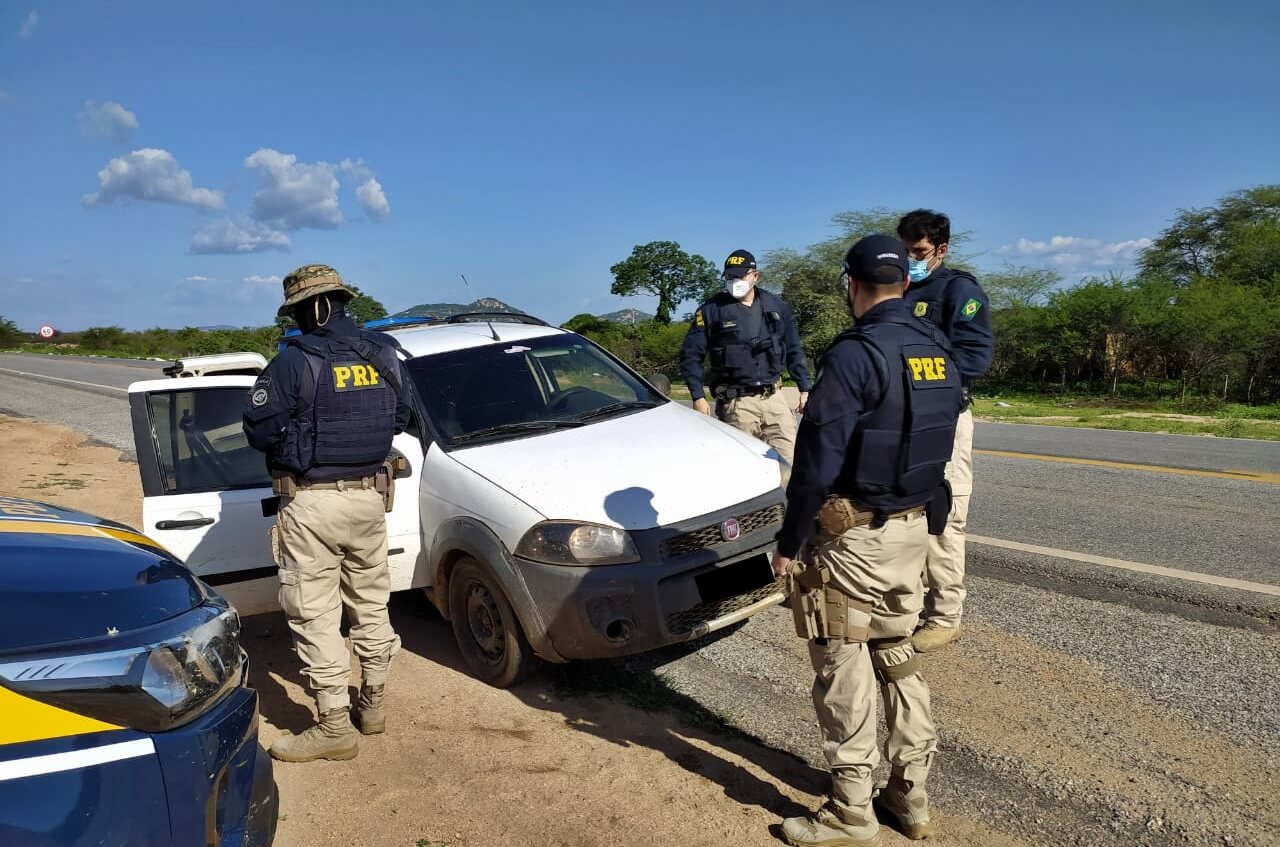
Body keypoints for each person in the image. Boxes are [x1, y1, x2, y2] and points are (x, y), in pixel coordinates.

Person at [771, 235, 962, 846]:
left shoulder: (854, 355)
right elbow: (939, 440)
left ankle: (852, 811)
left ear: (850, 285)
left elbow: (815, 463)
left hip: (854, 542)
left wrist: (790, 541)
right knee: (896, 655)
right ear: (906, 283)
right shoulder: (936, 347)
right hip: (912, 534)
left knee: (841, 663)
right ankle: (912, 796)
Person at [243, 264, 411, 763]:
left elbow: (259, 432)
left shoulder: (292, 362)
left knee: (315, 613)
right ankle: (373, 706)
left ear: (311, 308)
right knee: (372, 604)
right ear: (340, 302)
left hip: (313, 503)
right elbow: (401, 419)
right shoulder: (384, 354)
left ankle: (333, 727)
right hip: (369, 499)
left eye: (296, 311)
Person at [897, 210, 993, 653]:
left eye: (917, 252)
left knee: (945, 518)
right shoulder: (897, 289)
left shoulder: (959, 290)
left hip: (943, 419)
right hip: (899, 420)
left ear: (940, 249)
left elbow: (974, 357)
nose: (910, 259)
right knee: (905, 514)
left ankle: (944, 615)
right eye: (905, 251)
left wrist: (926, 380)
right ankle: (908, 606)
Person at [679, 249, 812, 467]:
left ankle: (789, 502)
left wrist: (804, 388)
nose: (735, 281)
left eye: (740, 276)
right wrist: (697, 396)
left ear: (755, 276)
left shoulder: (777, 306)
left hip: (774, 398)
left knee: (792, 464)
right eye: (730, 277)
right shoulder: (711, 310)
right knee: (747, 467)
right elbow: (690, 355)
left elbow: (794, 348)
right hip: (737, 403)